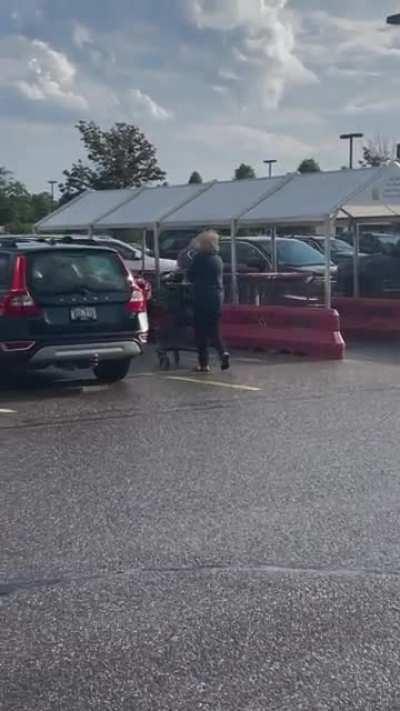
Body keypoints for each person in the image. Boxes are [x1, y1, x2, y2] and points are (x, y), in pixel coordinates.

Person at [187, 230, 230, 373]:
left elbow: (190, 276)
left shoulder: (200, 258)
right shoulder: (217, 259)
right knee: (214, 329)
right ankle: (222, 351)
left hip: (202, 297)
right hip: (217, 297)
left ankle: (204, 363)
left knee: (200, 332)